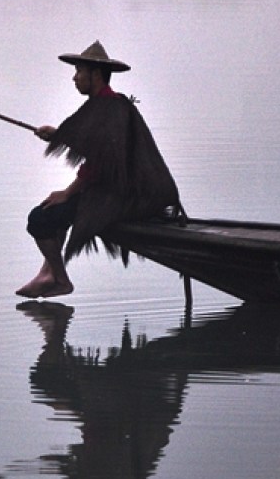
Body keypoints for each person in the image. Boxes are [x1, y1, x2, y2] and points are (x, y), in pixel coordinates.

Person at [16, 41, 181, 299]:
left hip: (118, 196)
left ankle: (59, 278)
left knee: (39, 219)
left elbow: (102, 161)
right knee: (55, 213)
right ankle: (47, 273)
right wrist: (58, 135)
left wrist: (68, 192)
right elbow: (94, 144)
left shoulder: (109, 108)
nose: (74, 78)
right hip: (111, 189)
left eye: (79, 71)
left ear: (95, 74)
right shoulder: (108, 105)